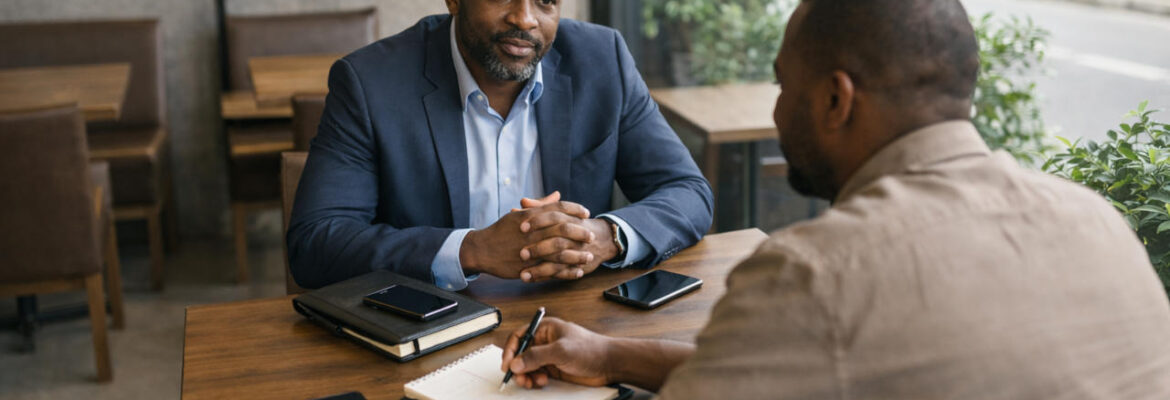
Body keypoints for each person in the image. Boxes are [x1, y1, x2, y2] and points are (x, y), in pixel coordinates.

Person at [497, 0, 1170, 398]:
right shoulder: (1099, 221)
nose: (778, 108)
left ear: (834, 99)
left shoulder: (817, 274)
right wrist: (612, 356)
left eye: (783, 84)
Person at [287, 0, 713, 290]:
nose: (525, 19)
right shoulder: (369, 82)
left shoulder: (603, 59)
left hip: (574, 324)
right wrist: (473, 249)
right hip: (433, 327)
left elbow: (687, 191)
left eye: (545, 0)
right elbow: (316, 243)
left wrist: (602, 237)